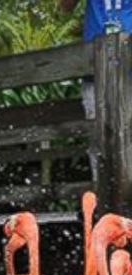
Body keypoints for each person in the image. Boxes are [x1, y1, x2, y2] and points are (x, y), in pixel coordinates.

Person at [61, 0, 132, 179]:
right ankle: (103, 196)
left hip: (129, 73)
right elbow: (65, 7)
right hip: (94, 74)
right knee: (99, 140)